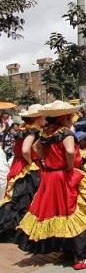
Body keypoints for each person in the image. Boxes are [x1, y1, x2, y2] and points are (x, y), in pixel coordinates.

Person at [15, 101, 86, 270]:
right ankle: (81, 257)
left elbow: (35, 147)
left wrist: (44, 160)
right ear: (64, 116)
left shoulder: (46, 131)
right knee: (75, 213)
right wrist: (69, 166)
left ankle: (67, 251)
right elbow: (70, 151)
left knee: (58, 212)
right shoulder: (66, 133)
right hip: (64, 175)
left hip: (50, 176)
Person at [0, 104, 43, 242]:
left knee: (16, 197)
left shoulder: (23, 128)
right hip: (26, 166)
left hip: (18, 164)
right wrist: (31, 163)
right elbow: (25, 150)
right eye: (42, 116)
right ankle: (22, 229)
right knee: (25, 197)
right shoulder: (32, 131)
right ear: (37, 117)